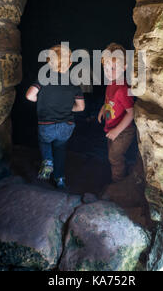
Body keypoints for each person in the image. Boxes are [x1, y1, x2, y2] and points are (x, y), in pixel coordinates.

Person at [26, 44, 85, 190]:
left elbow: (29, 95)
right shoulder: (74, 83)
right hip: (67, 126)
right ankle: (60, 179)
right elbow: (81, 107)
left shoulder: (43, 78)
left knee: (45, 142)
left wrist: (41, 102)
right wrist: (66, 107)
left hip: (47, 124)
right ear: (70, 63)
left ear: (48, 62)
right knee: (60, 149)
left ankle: (47, 161)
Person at [98, 43, 136, 183]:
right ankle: (117, 176)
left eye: (113, 68)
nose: (108, 71)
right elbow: (109, 99)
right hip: (112, 127)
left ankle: (118, 181)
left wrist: (117, 130)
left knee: (114, 157)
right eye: (105, 67)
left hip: (124, 131)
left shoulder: (122, 89)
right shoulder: (111, 83)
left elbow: (131, 113)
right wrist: (104, 108)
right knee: (112, 153)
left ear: (124, 67)